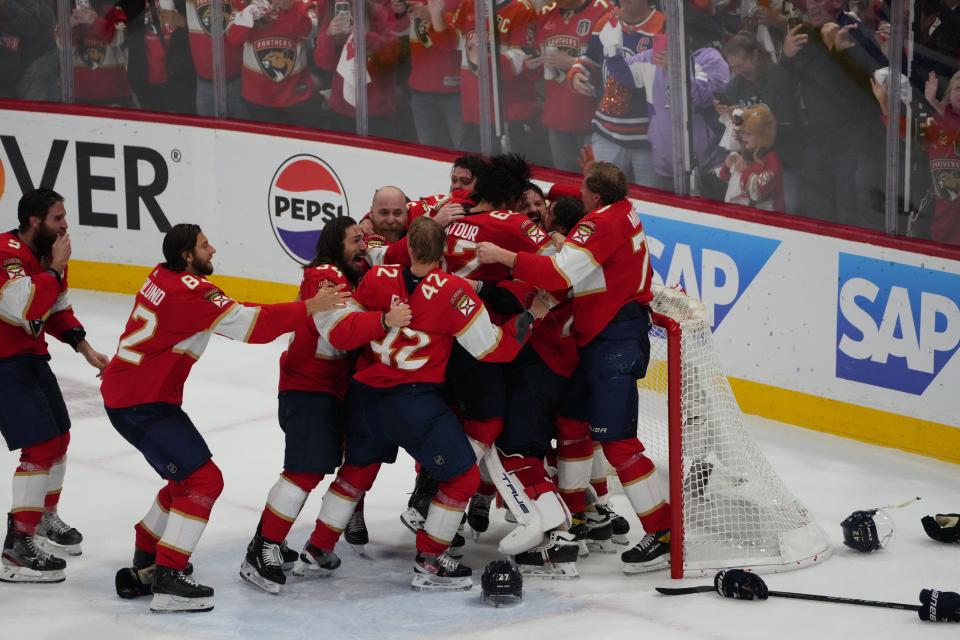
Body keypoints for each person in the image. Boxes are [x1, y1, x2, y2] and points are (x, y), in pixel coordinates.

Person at [102, 223, 349, 612]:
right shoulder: (192, 291)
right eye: (204, 245)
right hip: (144, 402)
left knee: (183, 478)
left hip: (131, 394)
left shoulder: (161, 275)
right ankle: (169, 576)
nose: (213, 249)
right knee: (203, 480)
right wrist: (310, 306)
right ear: (187, 255)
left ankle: (147, 557)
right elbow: (253, 327)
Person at [301, 216, 549, 591]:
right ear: (444, 251)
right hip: (414, 402)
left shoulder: (376, 278)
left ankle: (317, 548)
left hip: (365, 398)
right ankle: (430, 561)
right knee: (463, 476)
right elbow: (491, 349)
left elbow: (348, 328)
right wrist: (532, 317)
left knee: (357, 470)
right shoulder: (453, 291)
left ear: (411, 248)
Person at [477, 162, 674, 573]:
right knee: (582, 428)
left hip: (613, 343)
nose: (577, 195)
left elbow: (557, 274)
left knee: (617, 441)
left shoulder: (598, 224)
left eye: (583, 188)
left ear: (596, 197)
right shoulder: (625, 210)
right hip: (612, 339)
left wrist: (503, 256)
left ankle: (663, 532)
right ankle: (585, 516)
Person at [241, 217, 412, 594]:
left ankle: (297, 544)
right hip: (307, 388)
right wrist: (384, 320)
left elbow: (399, 254)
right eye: (354, 241)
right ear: (335, 244)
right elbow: (338, 328)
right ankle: (262, 549)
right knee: (305, 469)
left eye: (362, 241)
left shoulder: (360, 270)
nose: (362, 247)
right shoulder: (322, 275)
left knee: (342, 464)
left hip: (339, 388)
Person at [0, 189, 109, 584]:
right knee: (41, 445)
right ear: (34, 221)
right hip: (4, 364)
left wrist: (84, 347)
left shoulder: (50, 255)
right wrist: (54, 269)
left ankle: (42, 517)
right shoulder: (6, 253)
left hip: (29, 357)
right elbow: (24, 307)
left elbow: (57, 308)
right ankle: (18, 546)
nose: (65, 225)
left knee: (60, 437)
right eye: (57, 218)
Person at [569, 0, 664, 187]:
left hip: (648, 139)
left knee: (652, 201)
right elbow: (590, 58)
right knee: (601, 193)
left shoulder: (663, 24)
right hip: (606, 133)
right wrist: (576, 73)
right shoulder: (606, 21)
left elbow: (665, 76)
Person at [534, 0, 613, 172]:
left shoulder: (604, 11)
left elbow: (616, 65)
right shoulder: (547, 14)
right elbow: (537, 64)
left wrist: (573, 63)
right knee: (565, 183)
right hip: (556, 118)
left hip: (592, 122)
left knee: (594, 182)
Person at [718, 103, 785, 211]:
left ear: (762, 135)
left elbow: (757, 192)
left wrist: (745, 171)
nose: (744, 137)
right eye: (743, 133)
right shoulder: (747, 154)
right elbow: (724, 177)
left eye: (748, 134)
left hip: (769, 220)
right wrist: (727, 166)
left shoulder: (772, 159)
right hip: (749, 217)